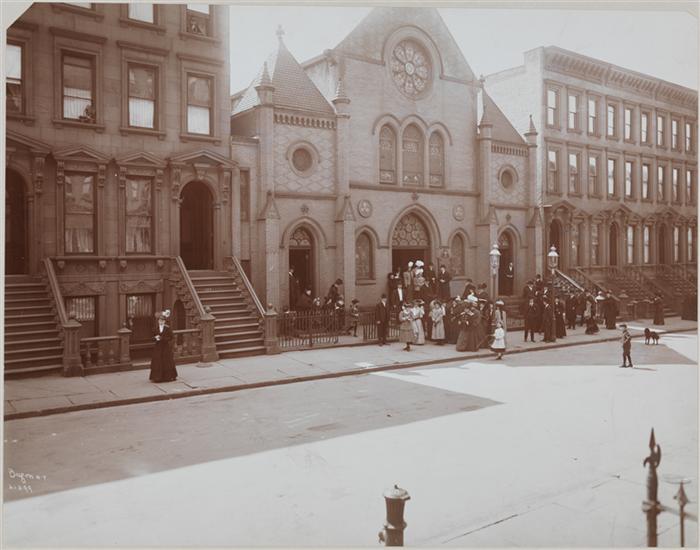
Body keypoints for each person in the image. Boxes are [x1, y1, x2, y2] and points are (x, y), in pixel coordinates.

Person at [149, 312, 177, 383]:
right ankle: (157, 377)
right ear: (158, 321)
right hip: (158, 347)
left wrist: (163, 339)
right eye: (160, 320)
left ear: (164, 321)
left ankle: (168, 377)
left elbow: (171, 337)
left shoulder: (167, 328)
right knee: (157, 361)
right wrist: (155, 338)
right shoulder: (155, 329)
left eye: (162, 320)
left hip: (165, 347)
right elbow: (152, 338)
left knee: (167, 361)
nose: (161, 322)